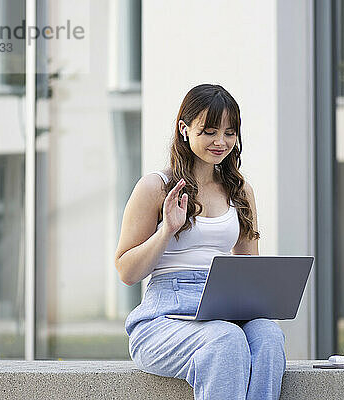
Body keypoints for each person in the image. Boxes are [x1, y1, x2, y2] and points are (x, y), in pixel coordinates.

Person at [115, 84, 286, 400]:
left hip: (223, 307)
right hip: (163, 318)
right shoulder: (156, 186)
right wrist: (167, 230)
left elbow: (251, 268)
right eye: (209, 131)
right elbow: (126, 271)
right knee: (226, 340)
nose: (221, 142)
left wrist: (268, 295)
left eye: (229, 132)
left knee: (268, 335)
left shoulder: (240, 191)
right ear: (184, 129)